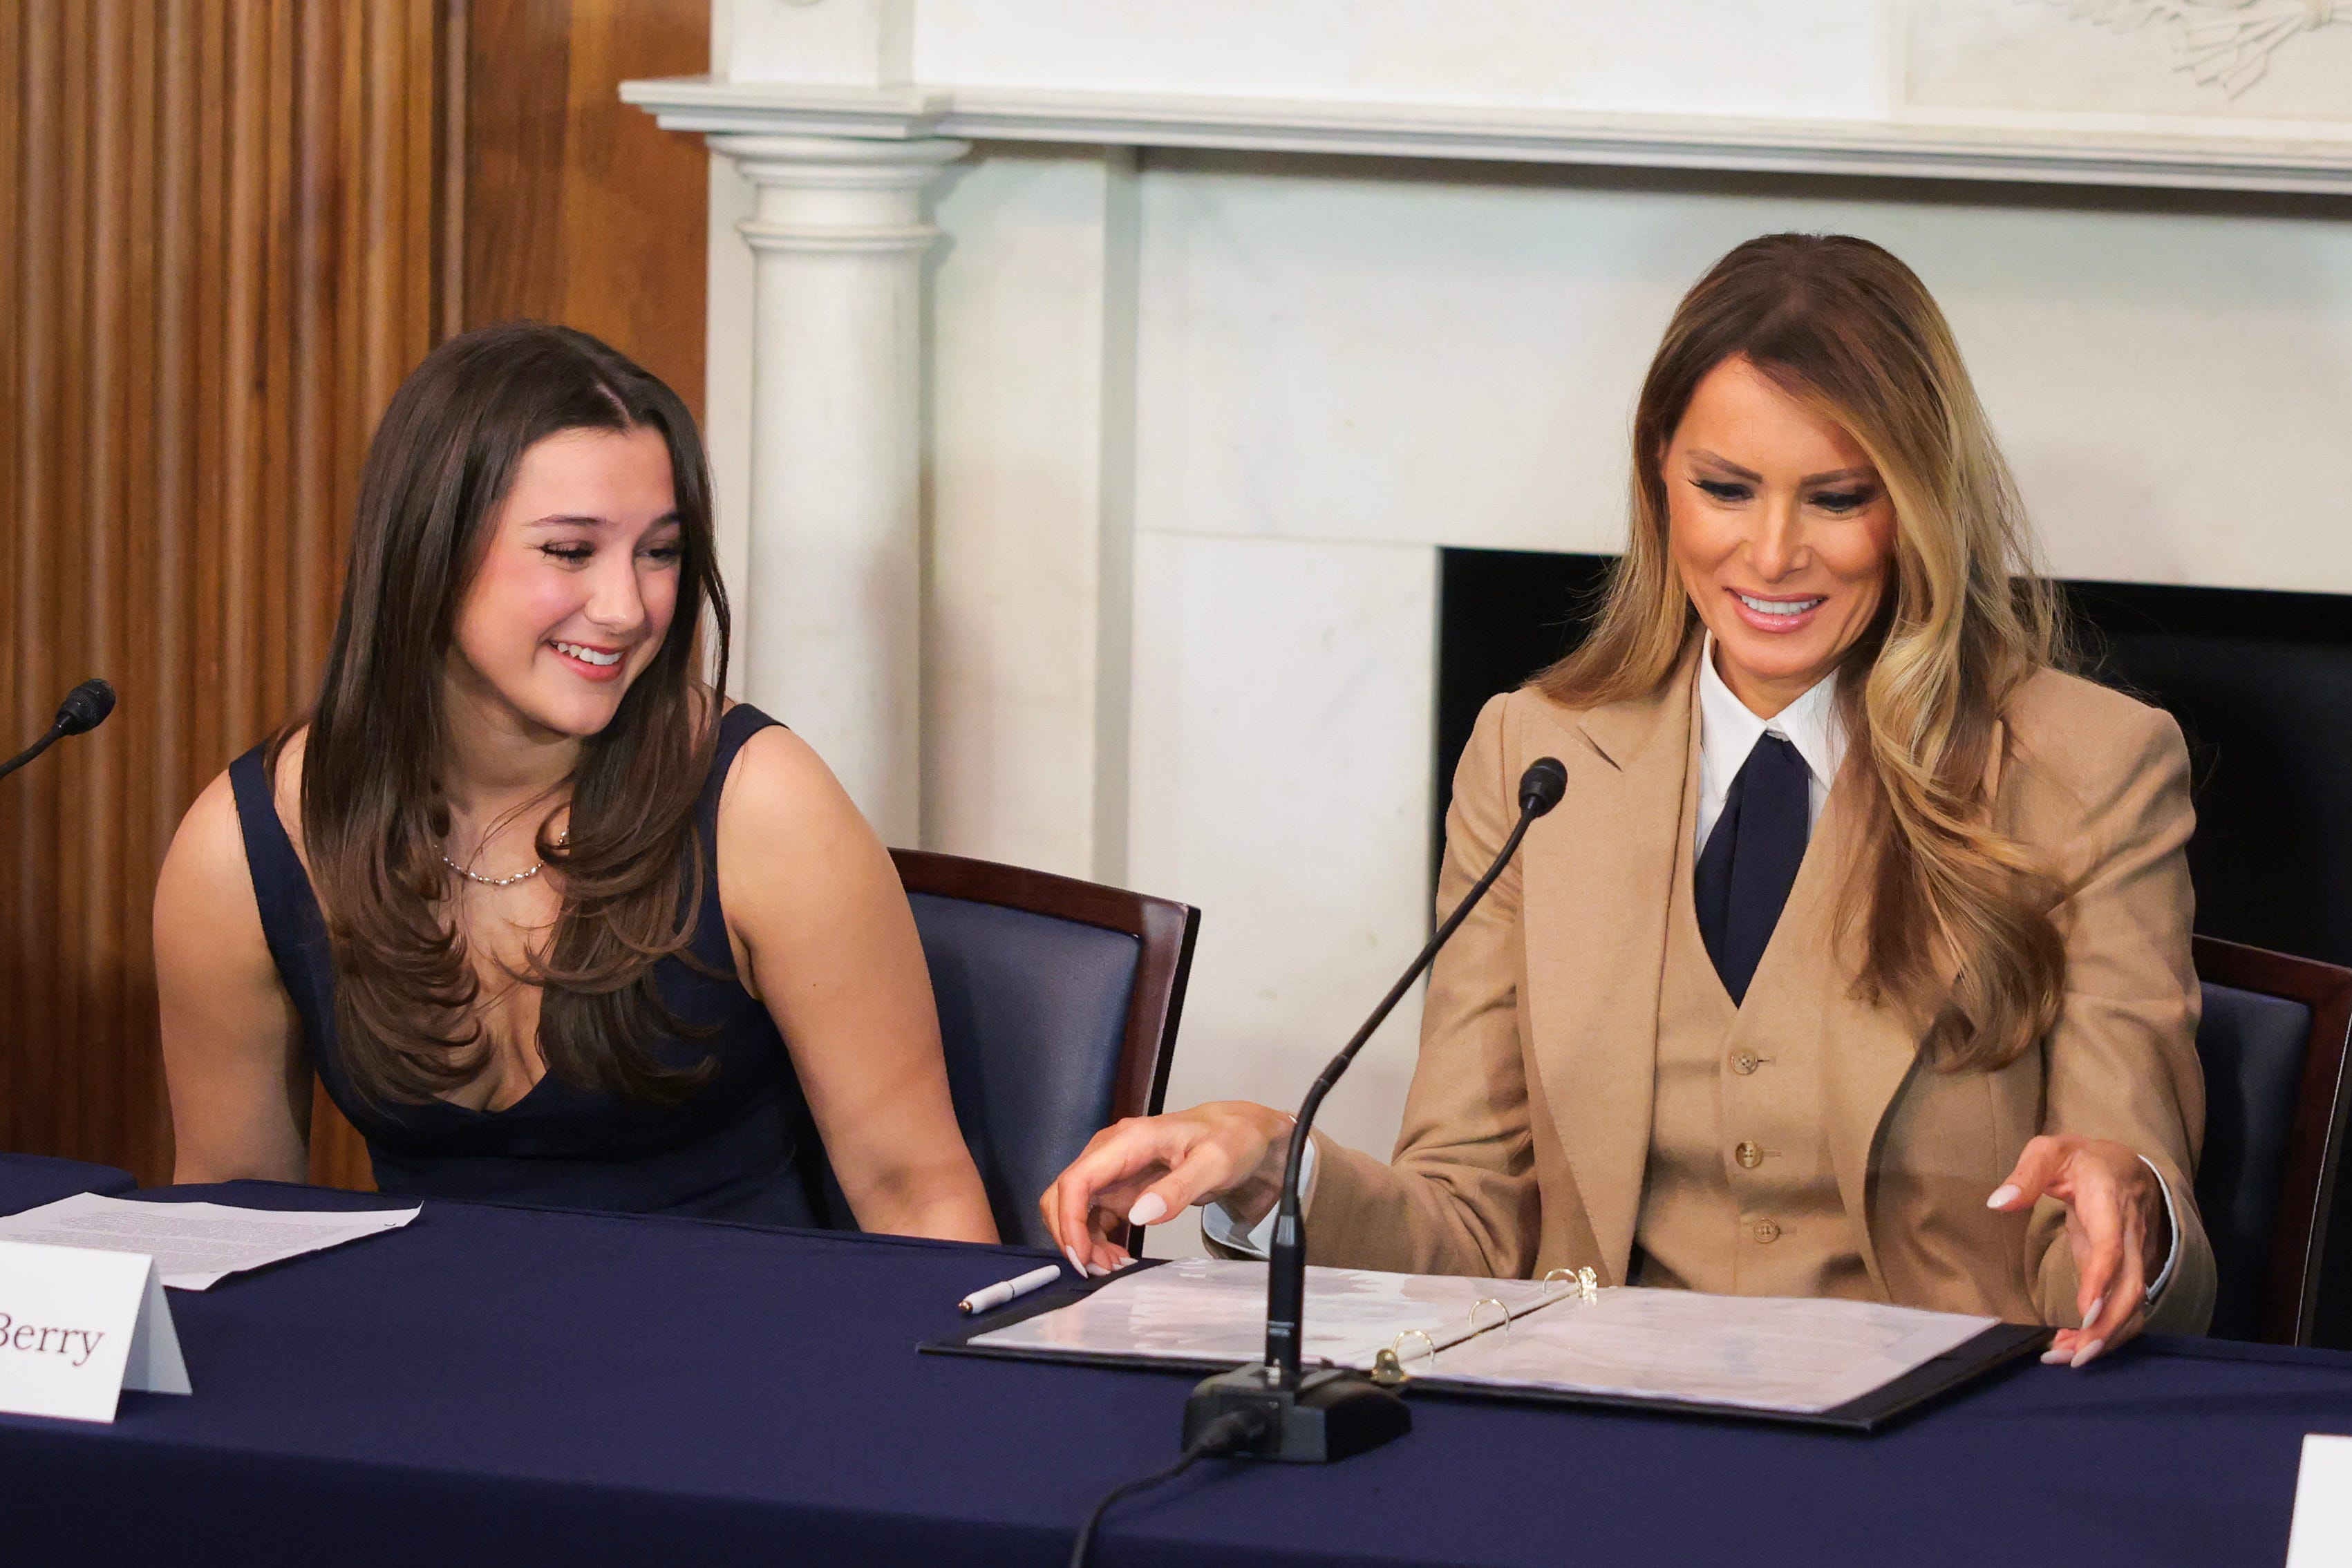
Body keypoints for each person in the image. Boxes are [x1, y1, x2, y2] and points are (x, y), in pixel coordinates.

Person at [1042, 234, 2214, 1363]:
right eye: (1726, 487)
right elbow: (1473, 1230)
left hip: (1938, 1448)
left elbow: (2127, 1249)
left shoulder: (2093, 768)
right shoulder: (1532, 753)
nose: (1770, 552)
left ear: (1918, 503)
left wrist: (2133, 1218)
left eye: (1838, 498)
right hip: (1600, 1430)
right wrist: (1275, 1165)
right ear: (1661, 477)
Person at [156, 322, 995, 1240]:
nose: (628, 607)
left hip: (744, 1360)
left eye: (661, 551)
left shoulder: (764, 803)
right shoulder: (245, 846)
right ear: (427, 550)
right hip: (425, 1364)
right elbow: (227, 1230)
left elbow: (920, 1198)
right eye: (569, 551)